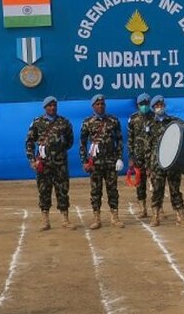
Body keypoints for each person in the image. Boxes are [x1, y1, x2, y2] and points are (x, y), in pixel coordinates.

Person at [25, 96, 75, 231]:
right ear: (45, 107)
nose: (52, 108)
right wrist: (32, 159)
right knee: (44, 191)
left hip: (60, 164)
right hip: (43, 164)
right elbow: (29, 142)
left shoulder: (64, 122)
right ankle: (45, 221)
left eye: (54, 105)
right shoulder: (37, 122)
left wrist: (59, 151)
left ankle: (65, 219)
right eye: (49, 106)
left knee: (63, 191)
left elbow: (70, 141)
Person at [79, 94, 125, 229]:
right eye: (97, 104)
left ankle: (115, 217)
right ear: (93, 106)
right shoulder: (87, 122)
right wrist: (84, 161)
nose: (100, 106)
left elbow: (120, 140)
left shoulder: (113, 120)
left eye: (102, 104)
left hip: (111, 162)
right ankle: (96, 218)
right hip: (95, 164)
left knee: (112, 190)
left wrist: (120, 158)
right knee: (95, 191)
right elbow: (82, 143)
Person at [145, 95, 184, 226]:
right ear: (153, 108)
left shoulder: (175, 121)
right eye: (156, 106)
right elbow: (148, 146)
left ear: (164, 106)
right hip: (157, 162)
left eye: (161, 105)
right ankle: (155, 216)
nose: (159, 107)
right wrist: (148, 166)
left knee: (175, 188)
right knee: (157, 189)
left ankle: (180, 216)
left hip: (173, 161)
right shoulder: (150, 124)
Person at [126, 93, 152, 217]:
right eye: (142, 104)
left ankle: (159, 208)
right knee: (140, 183)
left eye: (146, 103)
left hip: (152, 156)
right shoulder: (133, 118)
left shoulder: (155, 117)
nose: (144, 106)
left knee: (157, 183)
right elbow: (130, 138)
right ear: (138, 105)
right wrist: (131, 157)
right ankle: (143, 208)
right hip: (138, 156)